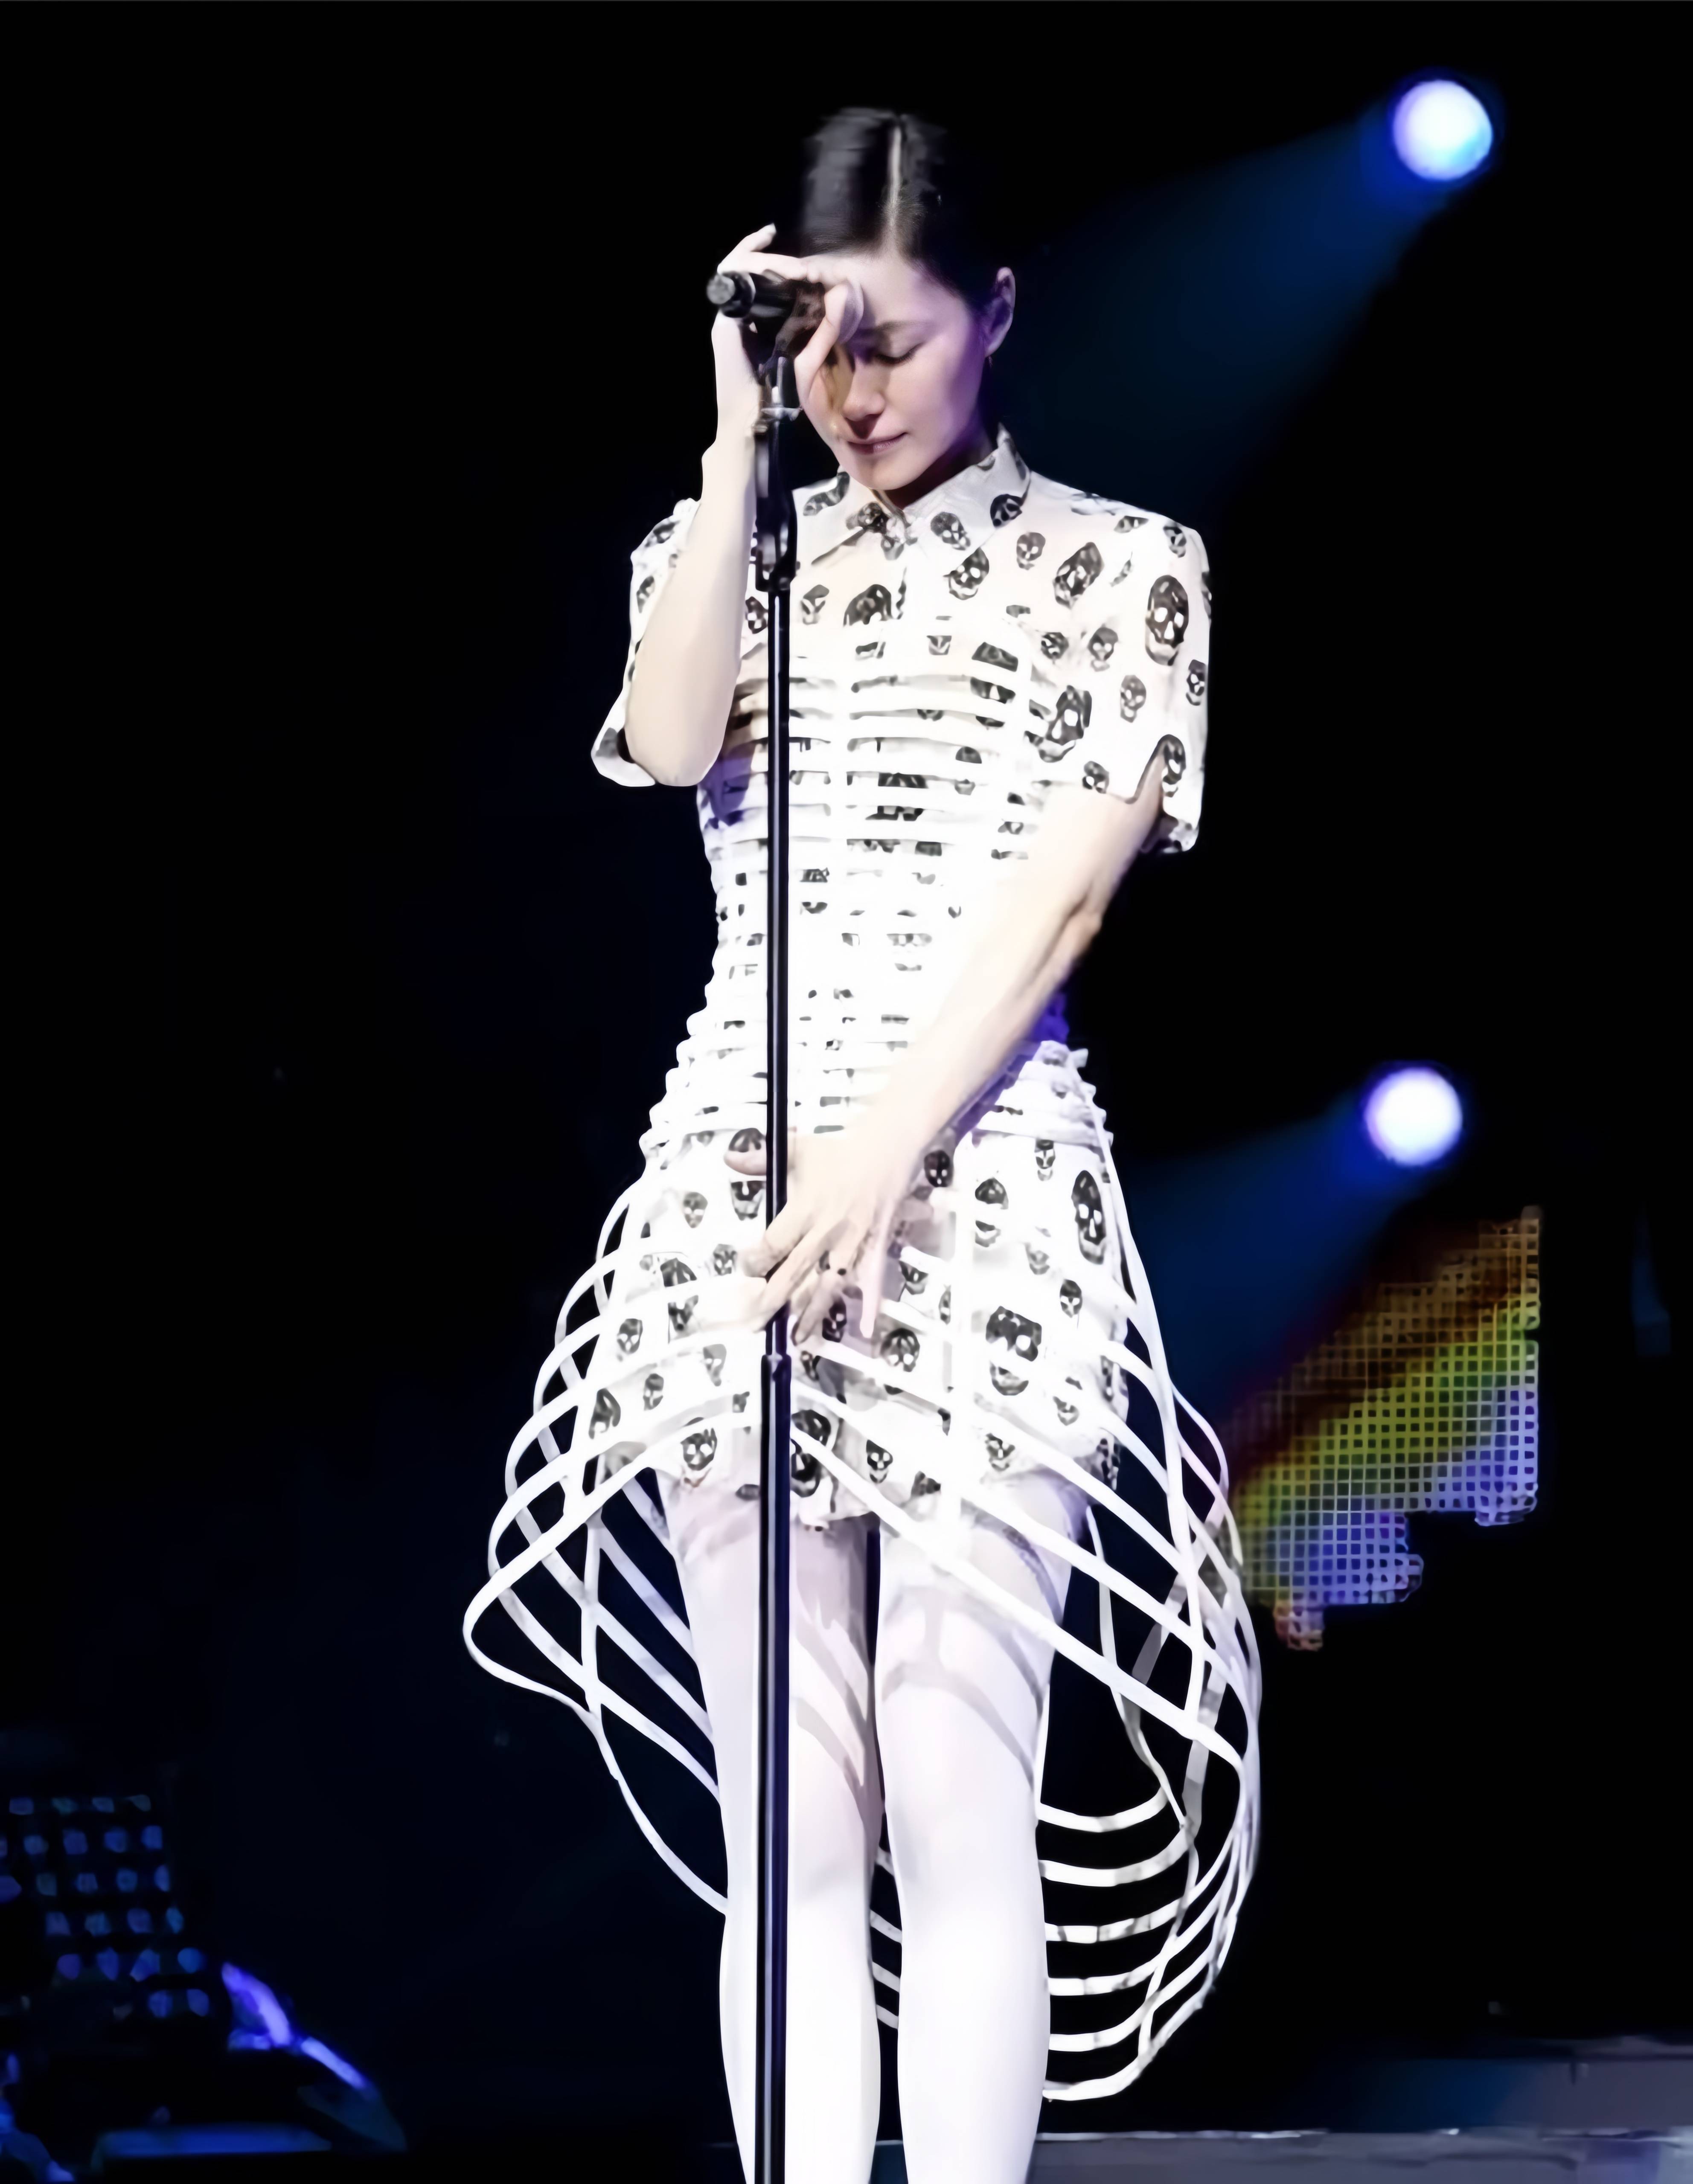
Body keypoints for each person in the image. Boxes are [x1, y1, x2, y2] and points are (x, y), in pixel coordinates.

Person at [465, 108, 1260, 2184]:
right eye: (815, 343)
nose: (853, 387)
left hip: (976, 1188)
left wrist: (884, 1152)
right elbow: (662, 745)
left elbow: (1060, 909)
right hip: (733, 1190)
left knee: (953, 1780)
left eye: (890, 339)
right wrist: (732, 446)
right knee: (792, 1817)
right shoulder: (730, 550)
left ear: (994, 312)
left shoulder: (1125, 567)